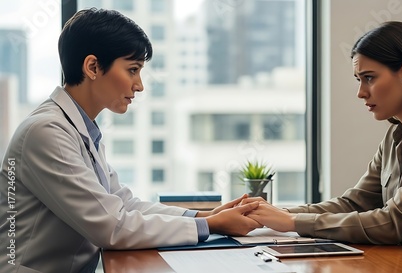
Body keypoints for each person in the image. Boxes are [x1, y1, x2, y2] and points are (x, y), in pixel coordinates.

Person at [0, 8, 261, 273]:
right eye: (132, 70)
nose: (139, 85)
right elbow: (112, 226)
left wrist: (206, 216)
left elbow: (124, 204)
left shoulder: (78, 128)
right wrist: (211, 226)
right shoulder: (47, 132)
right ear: (92, 67)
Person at [246, 21, 402, 273]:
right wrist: (275, 213)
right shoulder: (395, 136)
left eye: (369, 78)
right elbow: (354, 203)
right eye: (359, 79)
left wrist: (291, 222)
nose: (361, 92)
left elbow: (392, 222)